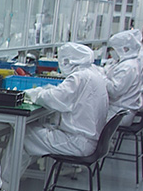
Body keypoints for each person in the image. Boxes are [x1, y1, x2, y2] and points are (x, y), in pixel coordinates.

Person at [17, 42, 109, 171]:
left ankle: (7, 181)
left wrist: (34, 94)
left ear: (69, 61)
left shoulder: (80, 77)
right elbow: (65, 95)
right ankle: (17, 176)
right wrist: (47, 89)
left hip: (77, 142)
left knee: (21, 135)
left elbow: (55, 99)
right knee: (32, 132)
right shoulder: (93, 73)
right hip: (89, 139)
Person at [104, 31, 143, 127]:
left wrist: (102, 78)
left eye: (113, 49)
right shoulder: (128, 62)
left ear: (123, 49)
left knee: (86, 117)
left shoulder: (128, 67)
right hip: (121, 109)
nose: (111, 52)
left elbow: (114, 91)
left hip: (118, 113)